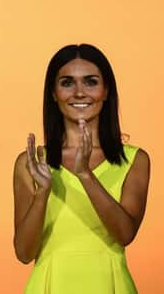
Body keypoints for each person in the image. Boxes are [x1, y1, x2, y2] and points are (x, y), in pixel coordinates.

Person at [13, 44, 150, 293]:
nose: (79, 93)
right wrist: (42, 192)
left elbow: (125, 234)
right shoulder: (30, 162)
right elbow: (24, 252)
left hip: (111, 284)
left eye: (90, 82)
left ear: (106, 90)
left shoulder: (135, 160)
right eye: (67, 83)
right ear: (53, 93)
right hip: (49, 284)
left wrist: (85, 174)